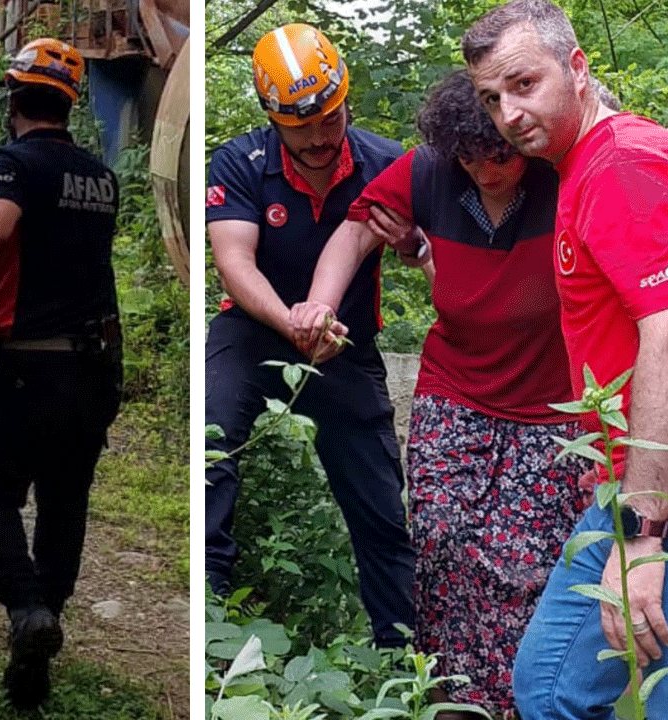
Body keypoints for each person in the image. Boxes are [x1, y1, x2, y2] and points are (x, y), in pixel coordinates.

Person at [463, 1, 668, 718]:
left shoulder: (620, 164)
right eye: (492, 98)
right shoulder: (609, 160)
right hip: (647, 478)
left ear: (578, 69)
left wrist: (643, 536)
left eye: (524, 84)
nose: (508, 113)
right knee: (549, 687)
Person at [294, 69, 593, 718]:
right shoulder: (429, 171)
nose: (486, 171)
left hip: (550, 406)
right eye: (470, 158)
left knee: (528, 564)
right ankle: (448, 697)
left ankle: (516, 700)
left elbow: (622, 149)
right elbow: (356, 230)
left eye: (500, 156)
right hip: (454, 390)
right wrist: (320, 305)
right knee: (440, 538)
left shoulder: (563, 171)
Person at [203, 22, 416, 648]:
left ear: (346, 99)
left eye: (331, 118)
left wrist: (412, 245)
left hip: (347, 346)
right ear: (272, 118)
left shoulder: (387, 163)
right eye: (301, 127)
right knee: (211, 444)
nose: (320, 137)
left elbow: (435, 247)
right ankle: (211, 622)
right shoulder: (239, 163)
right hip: (252, 333)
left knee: (381, 505)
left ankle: (401, 654)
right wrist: (291, 320)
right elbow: (235, 263)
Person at [0, 38, 123, 709]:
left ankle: (24, 608)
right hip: (95, 366)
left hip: (27, 365)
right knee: (65, 500)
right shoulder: (100, 176)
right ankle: (43, 629)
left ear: (13, 98)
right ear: (70, 103)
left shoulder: (14, 162)